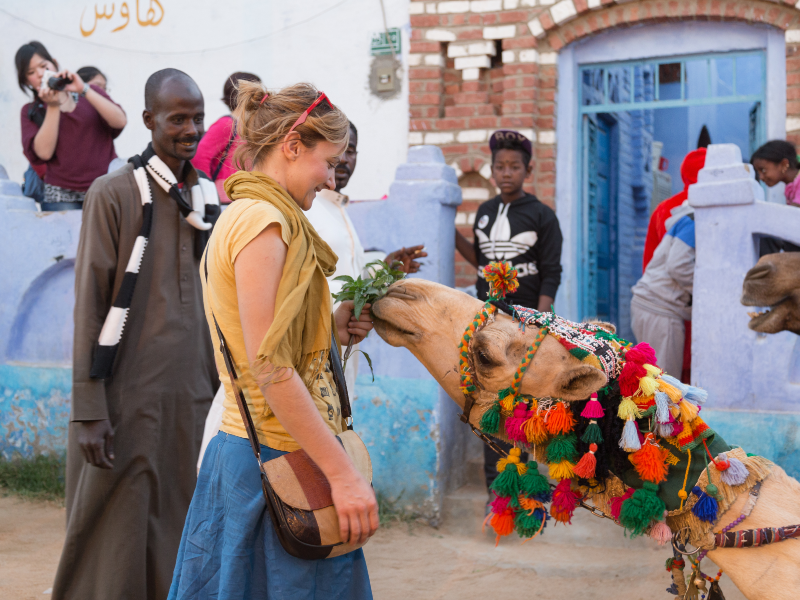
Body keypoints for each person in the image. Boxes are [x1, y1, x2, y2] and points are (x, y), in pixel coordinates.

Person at [169, 81, 376, 599]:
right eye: (326, 161)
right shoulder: (266, 222)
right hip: (273, 462)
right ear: (291, 145)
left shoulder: (253, 213)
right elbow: (270, 367)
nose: (329, 177)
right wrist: (342, 475)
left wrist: (330, 323)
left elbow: (263, 339)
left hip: (267, 456)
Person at [53, 68, 219, 600]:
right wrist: (88, 409)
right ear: (148, 121)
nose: (189, 129)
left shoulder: (210, 203)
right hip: (122, 401)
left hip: (194, 400)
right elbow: (90, 309)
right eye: (177, 119)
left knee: (183, 527)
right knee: (115, 535)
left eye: (197, 118)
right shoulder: (114, 193)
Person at [455, 129, 563, 497]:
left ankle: (530, 495)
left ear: (527, 171)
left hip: (526, 326)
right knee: (491, 405)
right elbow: (480, 262)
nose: (506, 173)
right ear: (491, 170)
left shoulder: (542, 216)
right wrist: (451, 233)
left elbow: (552, 272)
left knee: (525, 409)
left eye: (514, 167)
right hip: (488, 324)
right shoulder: (484, 213)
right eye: (500, 166)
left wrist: (538, 324)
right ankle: (497, 494)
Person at [305, 119, 426, 393]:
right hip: (312, 346)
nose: (344, 159)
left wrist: (386, 268)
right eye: (338, 152)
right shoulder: (305, 207)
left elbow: (348, 275)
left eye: (352, 151)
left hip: (342, 343)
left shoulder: (338, 210)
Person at [15, 41, 127, 210]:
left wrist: (83, 88)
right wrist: (52, 106)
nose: (40, 74)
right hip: (61, 196)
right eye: (31, 72)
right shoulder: (30, 112)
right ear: (27, 82)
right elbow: (44, 153)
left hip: (105, 188)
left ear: (54, 63)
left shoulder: (89, 93)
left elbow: (120, 121)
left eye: (43, 66)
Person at [643, 147, 706, 383]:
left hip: (669, 304)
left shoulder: (664, 210)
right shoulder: (708, 208)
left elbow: (649, 264)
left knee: (666, 378)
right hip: (698, 306)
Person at [631, 202, 695, 377]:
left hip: (648, 303)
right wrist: (704, 290)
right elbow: (678, 265)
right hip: (661, 309)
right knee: (664, 385)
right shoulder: (694, 221)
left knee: (651, 380)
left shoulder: (685, 219)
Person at [192, 71, 261, 203]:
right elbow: (200, 157)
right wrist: (208, 193)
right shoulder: (227, 124)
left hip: (242, 199)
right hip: (224, 201)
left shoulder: (247, 127)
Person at [751, 140, 800, 255]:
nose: (761, 177)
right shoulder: (791, 187)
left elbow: (793, 216)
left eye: (763, 170)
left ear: (783, 164)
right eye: (758, 173)